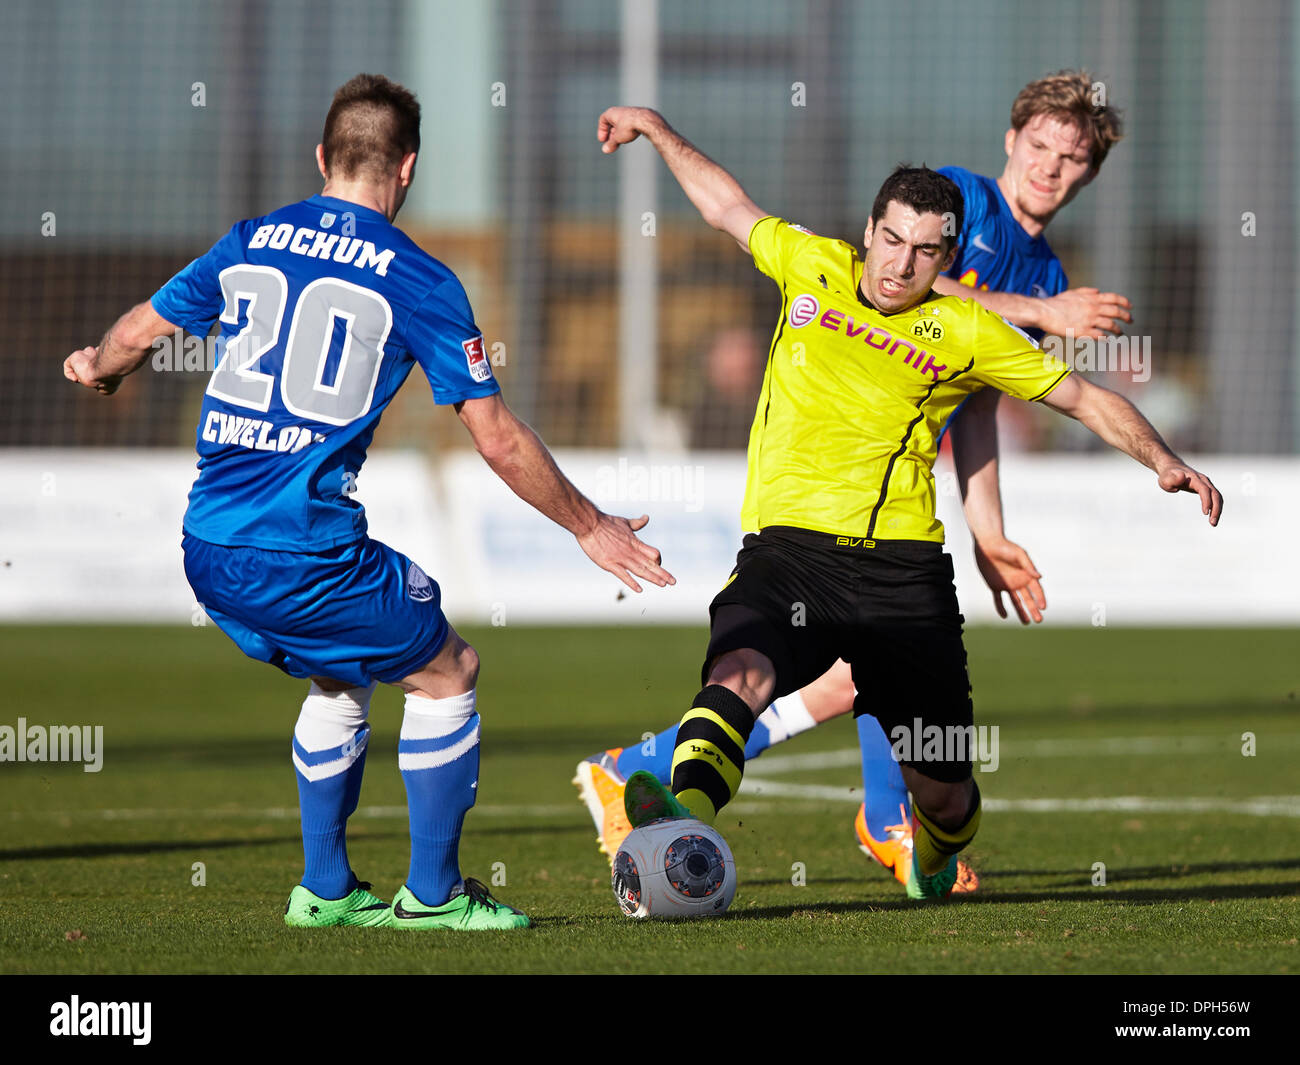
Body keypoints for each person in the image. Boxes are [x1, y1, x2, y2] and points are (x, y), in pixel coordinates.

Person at [63, 73, 674, 931]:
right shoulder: (419, 278)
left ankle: (326, 890)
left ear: (322, 157)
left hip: (207, 541)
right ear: (409, 168)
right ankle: (433, 897)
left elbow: (136, 331)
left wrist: (97, 365)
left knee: (342, 679)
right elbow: (494, 435)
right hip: (301, 547)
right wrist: (590, 524)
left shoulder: (249, 240)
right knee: (448, 670)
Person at [589, 103, 1220, 900]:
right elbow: (724, 204)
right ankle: (677, 818)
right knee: (741, 666)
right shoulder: (810, 263)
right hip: (790, 551)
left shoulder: (967, 330)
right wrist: (654, 125)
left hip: (904, 575)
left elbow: (1082, 398)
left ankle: (926, 845)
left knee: (947, 796)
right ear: (868, 229)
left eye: (924, 251)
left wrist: (1163, 460)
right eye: (890, 240)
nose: (899, 264)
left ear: (945, 259)